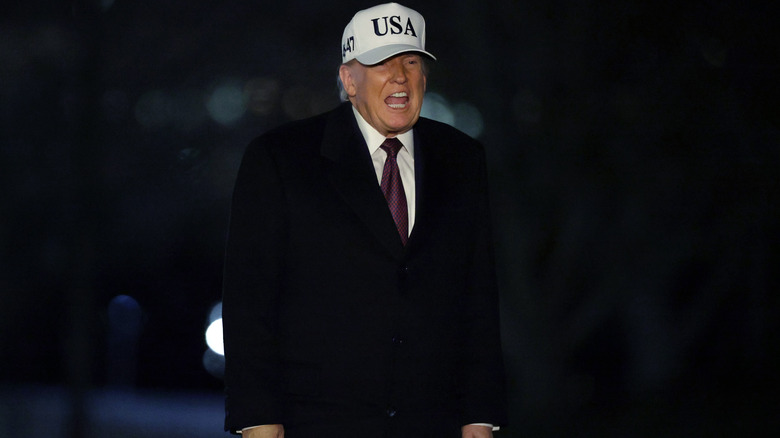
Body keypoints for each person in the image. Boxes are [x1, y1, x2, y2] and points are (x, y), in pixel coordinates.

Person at [222, 3, 507, 437]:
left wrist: (479, 419)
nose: (399, 75)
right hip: (317, 424)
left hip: (432, 423)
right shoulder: (281, 159)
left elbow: (478, 299)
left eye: (411, 61)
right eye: (381, 62)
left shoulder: (463, 160)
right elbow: (249, 303)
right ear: (348, 80)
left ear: (425, 78)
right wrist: (258, 421)